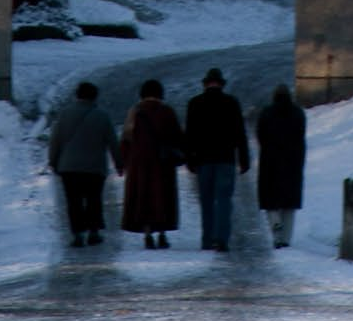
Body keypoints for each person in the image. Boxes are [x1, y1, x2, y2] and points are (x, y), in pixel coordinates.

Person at [182, 65, 250, 252]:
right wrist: (244, 158)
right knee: (224, 200)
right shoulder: (231, 103)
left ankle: (207, 239)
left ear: (205, 84)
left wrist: (189, 158)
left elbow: (189, 134)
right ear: (221, 84)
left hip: (203, 159)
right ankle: (222, 239)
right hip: (226, 158)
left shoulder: (195, 103)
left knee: (206, 200)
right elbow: (240, 133)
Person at [47, 78, 121, 245]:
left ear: (77, 96)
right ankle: (94, 232)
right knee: (94, 199)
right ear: (95, 97)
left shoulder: (65, 114)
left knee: (74, 201)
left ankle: (77, 234)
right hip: (94, 167)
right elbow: (112, 142)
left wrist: (53, 160)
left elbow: (55, 140)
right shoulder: (102, 116)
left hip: (69, 167)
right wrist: (119, 163)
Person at [119, 77, 184, 249]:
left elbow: (126, 140)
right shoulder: (167, 112)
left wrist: (124, 163)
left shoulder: (134, 113)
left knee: (144, 198)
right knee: (163, 198)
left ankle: (147, 235)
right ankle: (162, 235)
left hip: (139, 164)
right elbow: (178, 137)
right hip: (163, 164)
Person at [255, 81, 306, 248]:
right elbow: (300, 135)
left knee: (271, 200)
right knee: (289, 205)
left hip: (270, 161)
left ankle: (275, 228)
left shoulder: (266, 113)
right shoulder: (298, 113)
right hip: (292, 162)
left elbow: (260, 135)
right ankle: (285, 239)